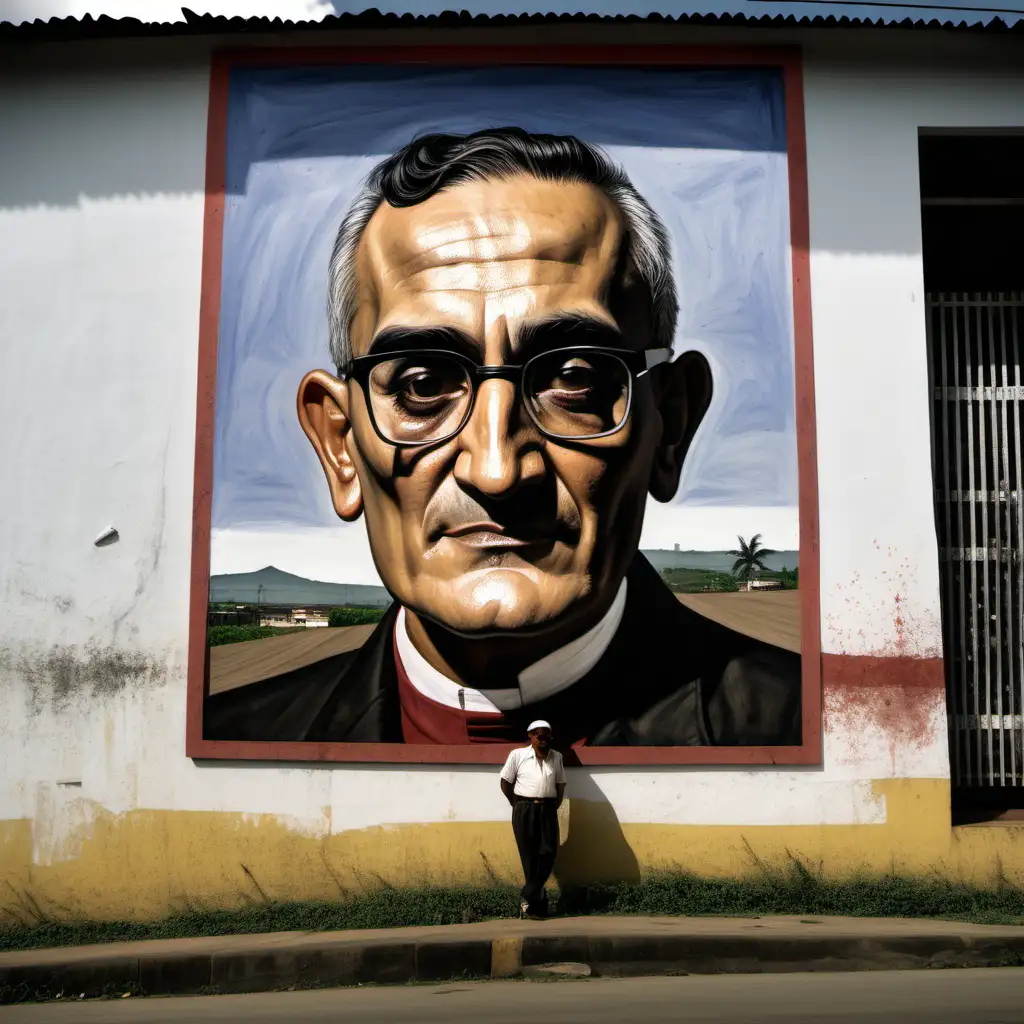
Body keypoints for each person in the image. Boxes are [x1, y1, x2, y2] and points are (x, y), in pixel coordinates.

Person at [204, 127, 801, 747]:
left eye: (573, 379)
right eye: (422, 385)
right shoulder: (239, 744)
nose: (496, 470)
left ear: (669, 426)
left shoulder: (803, 729)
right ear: (340, 447)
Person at [500, 721, 566, 918]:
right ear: (530, 735)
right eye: (538, 734)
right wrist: (517, 804)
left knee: (548, 851)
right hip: (524, 808)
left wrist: (555, 803)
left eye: (546, 735)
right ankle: (536, 906)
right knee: (529, 855)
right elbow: (505, 782)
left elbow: (560, 783)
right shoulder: (517, 755)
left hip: (547, 808)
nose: (542, 738)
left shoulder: (557, 757)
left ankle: (527, 893)